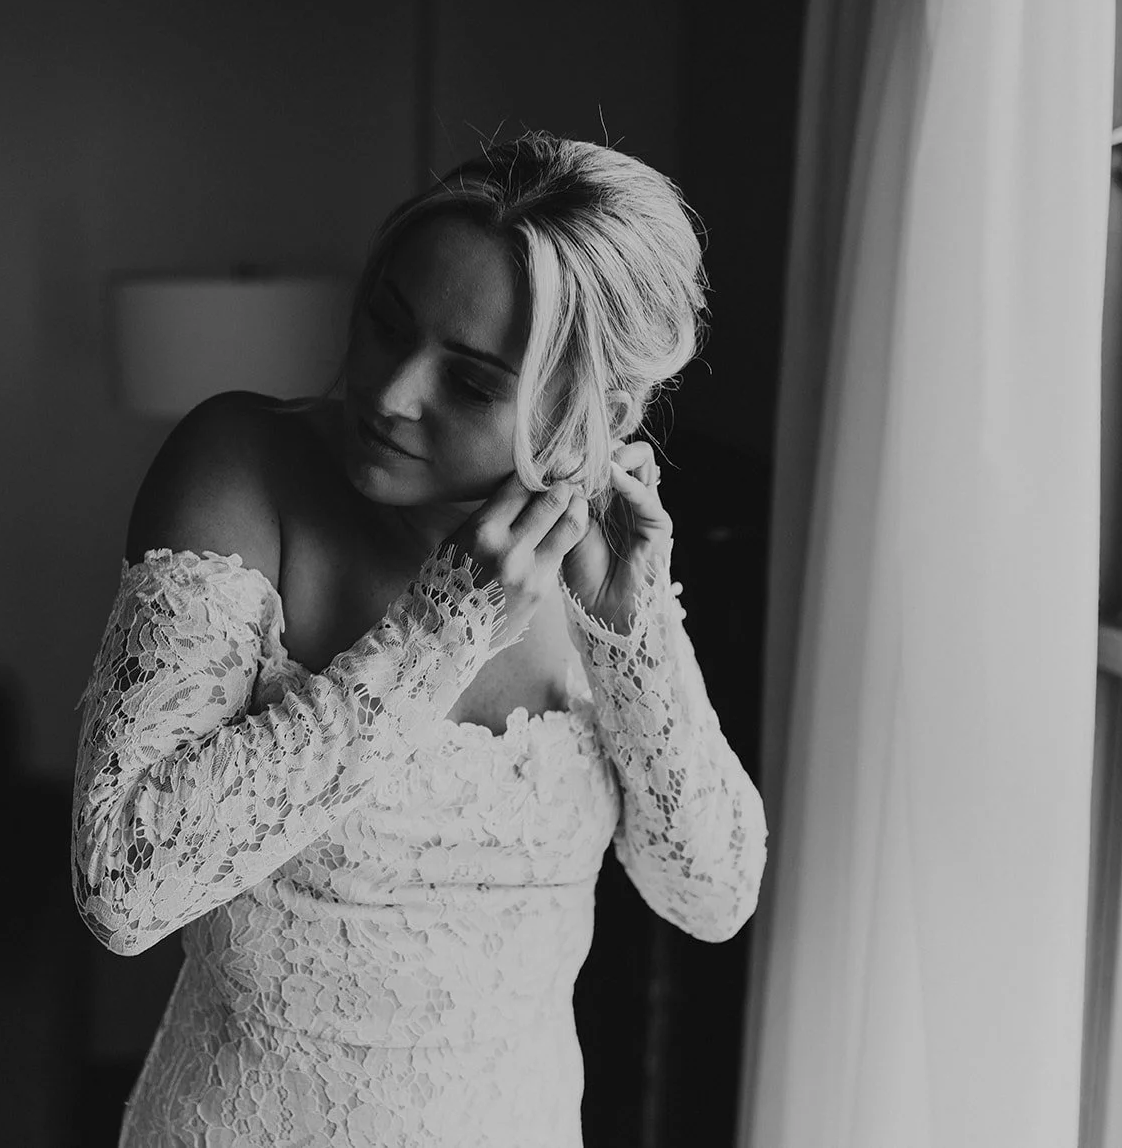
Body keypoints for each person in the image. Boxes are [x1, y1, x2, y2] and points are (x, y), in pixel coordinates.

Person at [69, 131, 769, 1147]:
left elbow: (712, 892)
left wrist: (636, 631)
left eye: (474, 383)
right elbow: (123, 889)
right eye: (385, 324)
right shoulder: (241, 468)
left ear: (590, 411)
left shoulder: (594, 560)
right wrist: (436, 634)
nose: (392, 393)